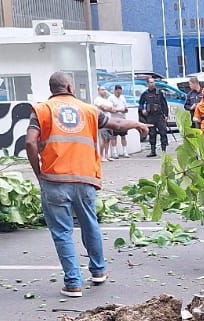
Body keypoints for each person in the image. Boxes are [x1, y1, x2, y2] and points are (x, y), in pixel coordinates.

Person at [24, 71, 149, 298]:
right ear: (70, 87)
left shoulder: (42, 110)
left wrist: (38, 172)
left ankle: (73, 282)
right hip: (85, 178)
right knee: (90, 223)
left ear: (52, 89)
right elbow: (117, 123)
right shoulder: (89, 110)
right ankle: (98, 270)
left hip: (55, 179)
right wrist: (137, 124)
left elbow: (30, 142)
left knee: (62, 232)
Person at [139, 74, 170, 157]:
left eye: (153, 82)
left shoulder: (159, 93)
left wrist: (166, 115)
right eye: (150, 82)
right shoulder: (145, 94)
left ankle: (164, 151)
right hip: (150, 116)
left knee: (163, 133)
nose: (152, 84)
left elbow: (164, 104)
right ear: (147, 84)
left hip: (159, 116)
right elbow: (140, 104)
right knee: (152, 134)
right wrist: (143, 110)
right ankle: (153, 151)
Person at [94, 87, 118, 161]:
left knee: (108, 139)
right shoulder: (97, 99)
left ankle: (107, 155)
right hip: (102, 122)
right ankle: (101, 156)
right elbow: (104, 108)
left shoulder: (107, 100)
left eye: (104, 90)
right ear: (98, 91)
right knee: (103, 139)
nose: (103, 91)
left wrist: (109, 108)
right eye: (102, 90)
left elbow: (114, 109)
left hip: (109, 121)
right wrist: (109, 108)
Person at [111, 85, 130, 158]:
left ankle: (125, 151)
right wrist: (120, 110)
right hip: (114, 120)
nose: (119, 93)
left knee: (123, 136)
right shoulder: (111, 98)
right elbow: (111, 109)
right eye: (118, 92)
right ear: (115, 91)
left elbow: (126, 108)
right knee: (114, 136)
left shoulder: (122, 98)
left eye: (120, 92)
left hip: (122, 119)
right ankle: (114, 152)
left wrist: (124, 110)